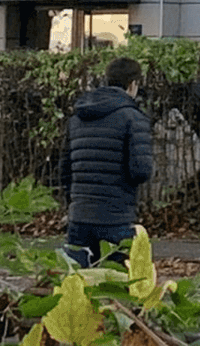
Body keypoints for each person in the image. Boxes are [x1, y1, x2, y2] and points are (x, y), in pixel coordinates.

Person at [59, 56, 153, 268]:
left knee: (77, 288)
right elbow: (141, 170)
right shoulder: (133, 117)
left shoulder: (77, 117)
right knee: (115, 288)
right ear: (133, 84)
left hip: (79, 215)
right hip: (116, 216)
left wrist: (73, 200)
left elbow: (64, 169)